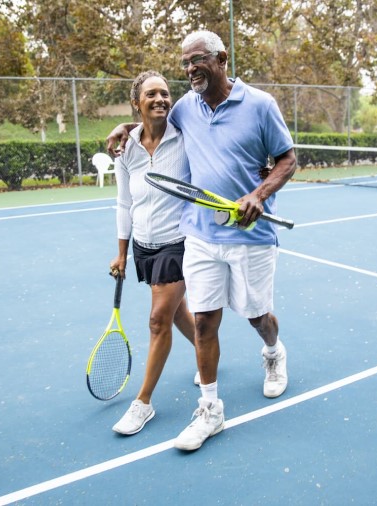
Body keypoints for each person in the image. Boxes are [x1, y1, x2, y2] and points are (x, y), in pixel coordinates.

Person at [107, 31, 296, 451]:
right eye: (185, 64)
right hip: (200, 235)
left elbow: (288, 158)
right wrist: (126, 127)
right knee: (206, 321)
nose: (190, 69)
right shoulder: (185, 109)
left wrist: (258, 195)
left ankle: (273, 351)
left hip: (252, 236)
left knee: (256, 316)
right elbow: (151, 121)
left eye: (197, 60)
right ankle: (210, 408)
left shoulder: (261, 105)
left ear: (221, 58)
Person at [109, 70, 197, 436]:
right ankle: (205, 348)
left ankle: (142, 403)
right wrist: (121, 253)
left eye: (165, 93)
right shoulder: (125, 147)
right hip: (144, 246)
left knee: (158, 320)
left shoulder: (186, 135)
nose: (160, 99)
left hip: (179, 240)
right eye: (151, 94)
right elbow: (123, 203)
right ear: (137, 103)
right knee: (176, 314)